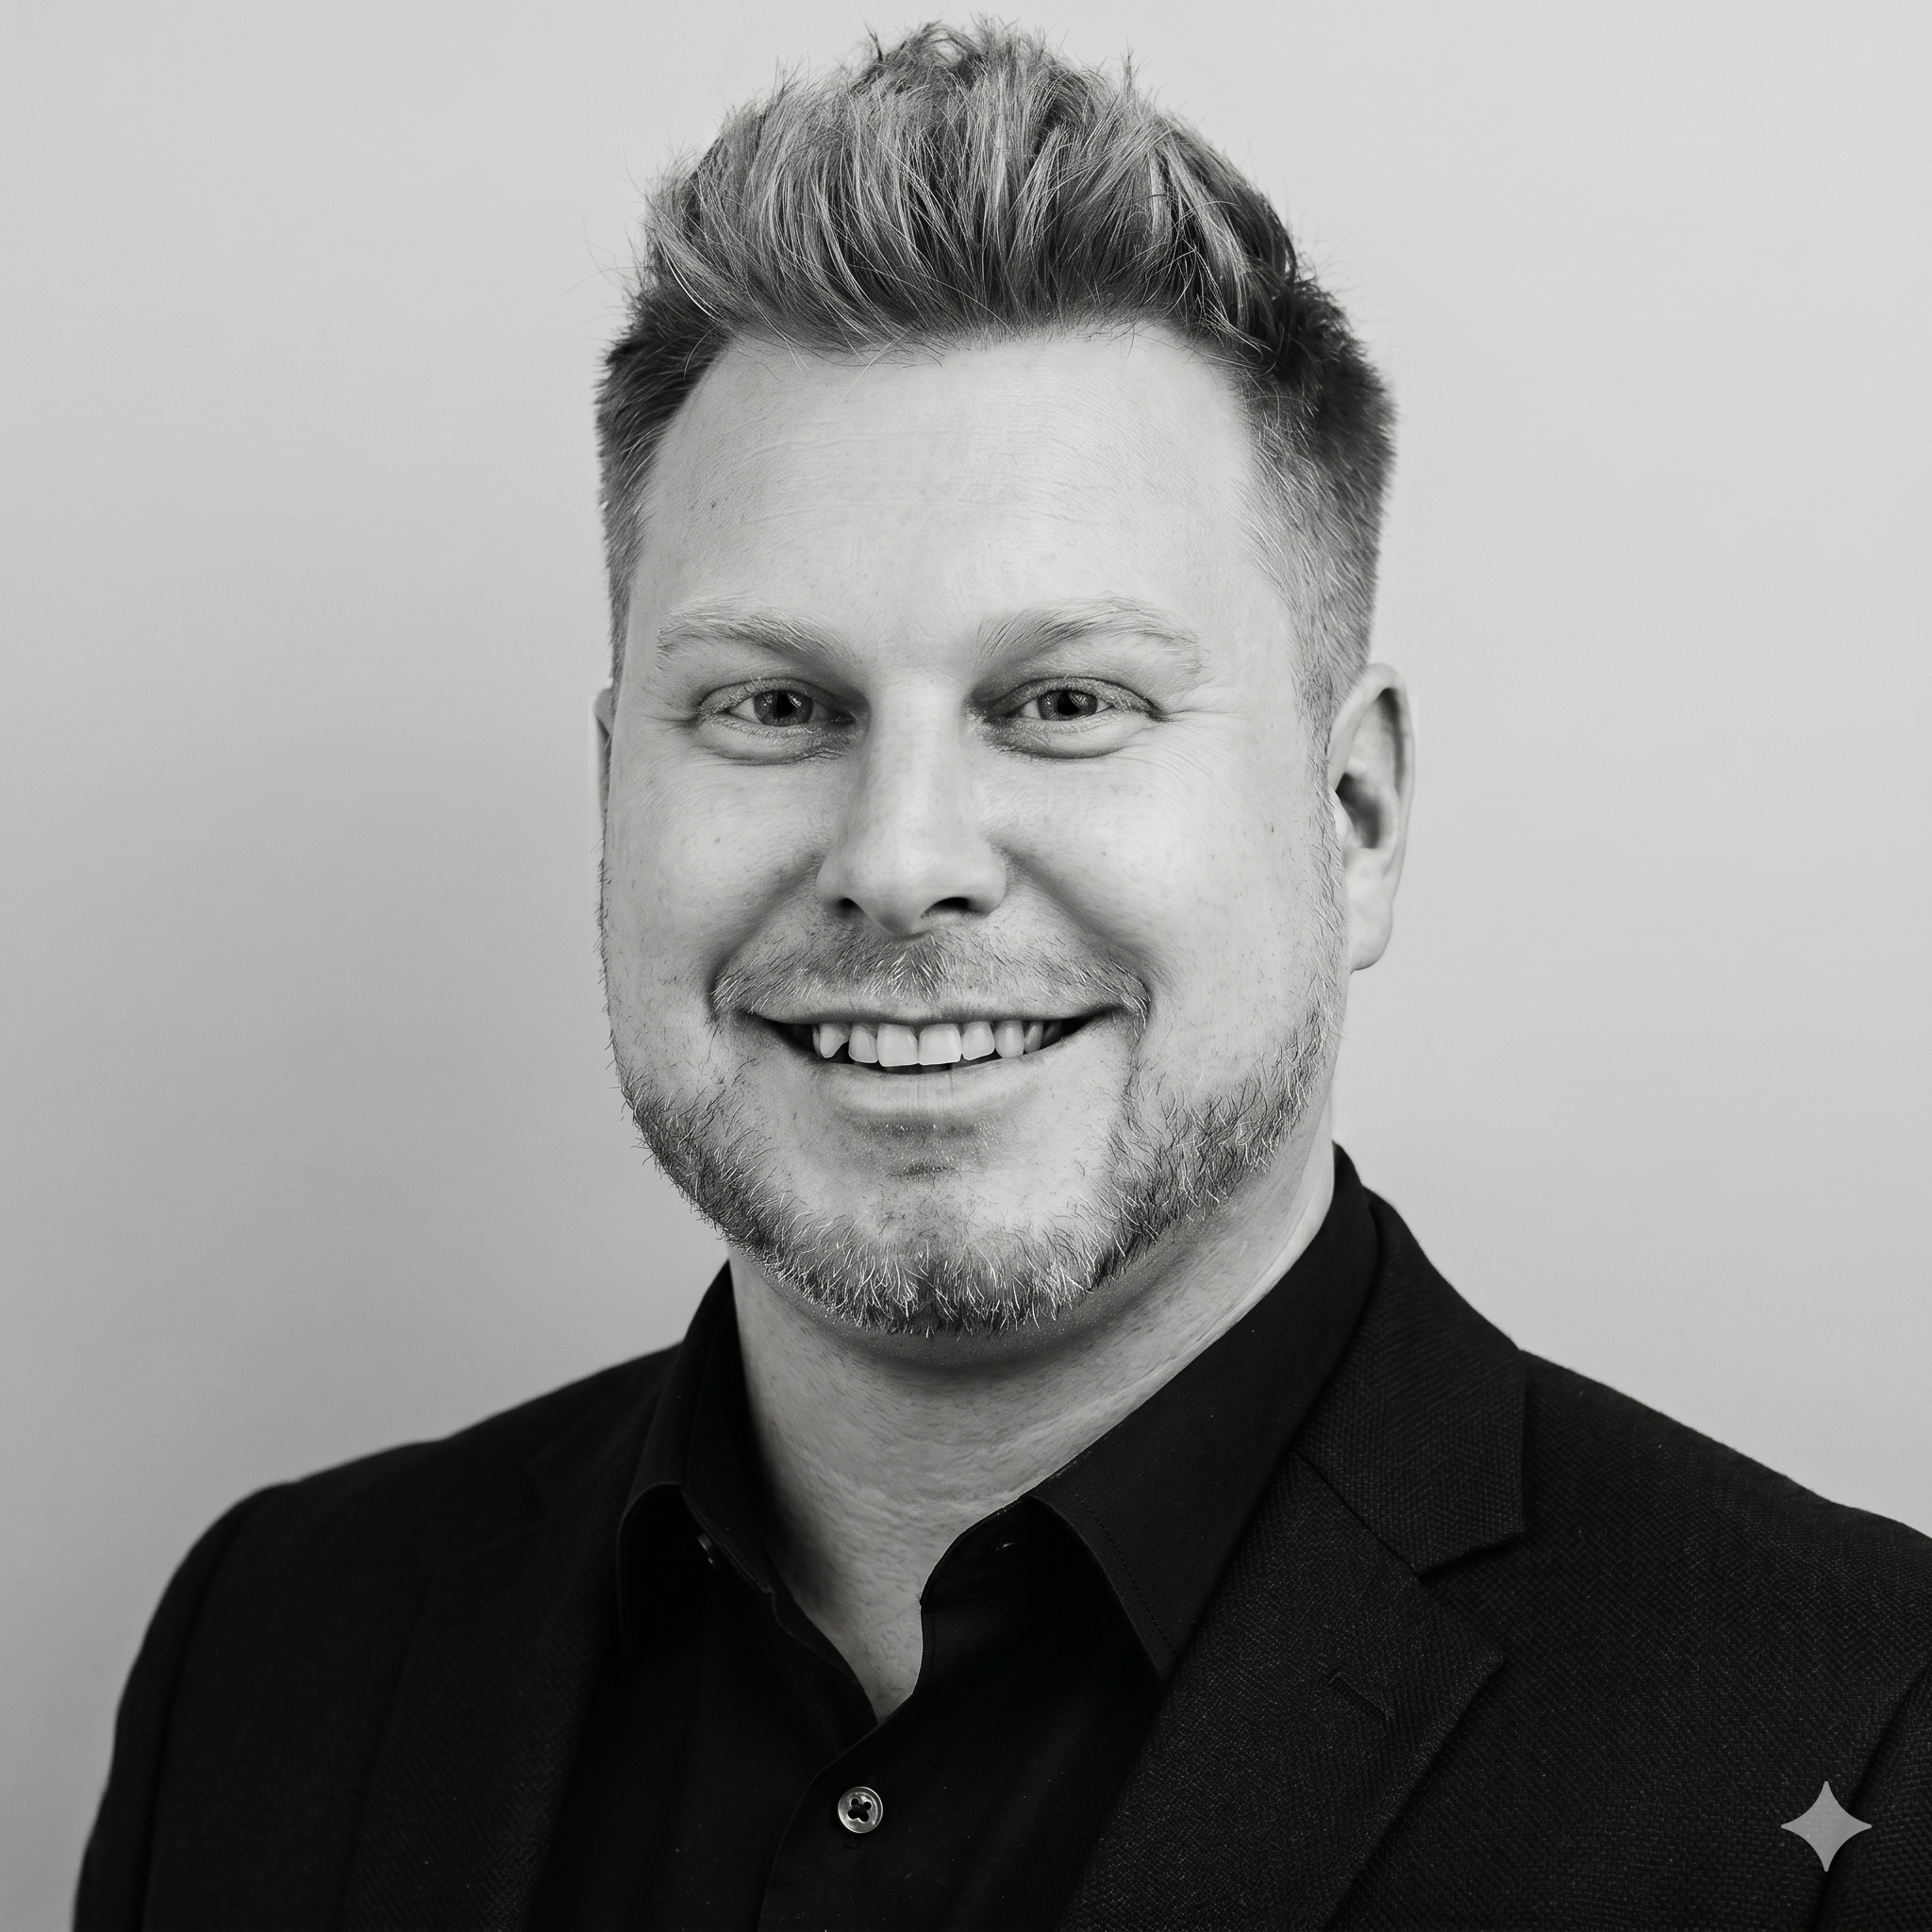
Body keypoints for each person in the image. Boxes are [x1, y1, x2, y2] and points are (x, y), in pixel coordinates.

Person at [76, 24, 1932, 1931]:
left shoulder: (1861, 1744)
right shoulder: (280, 1646)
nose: (898, 858)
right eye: (773, 706)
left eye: (1063, 703)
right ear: (615, 793)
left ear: (1354, 808)